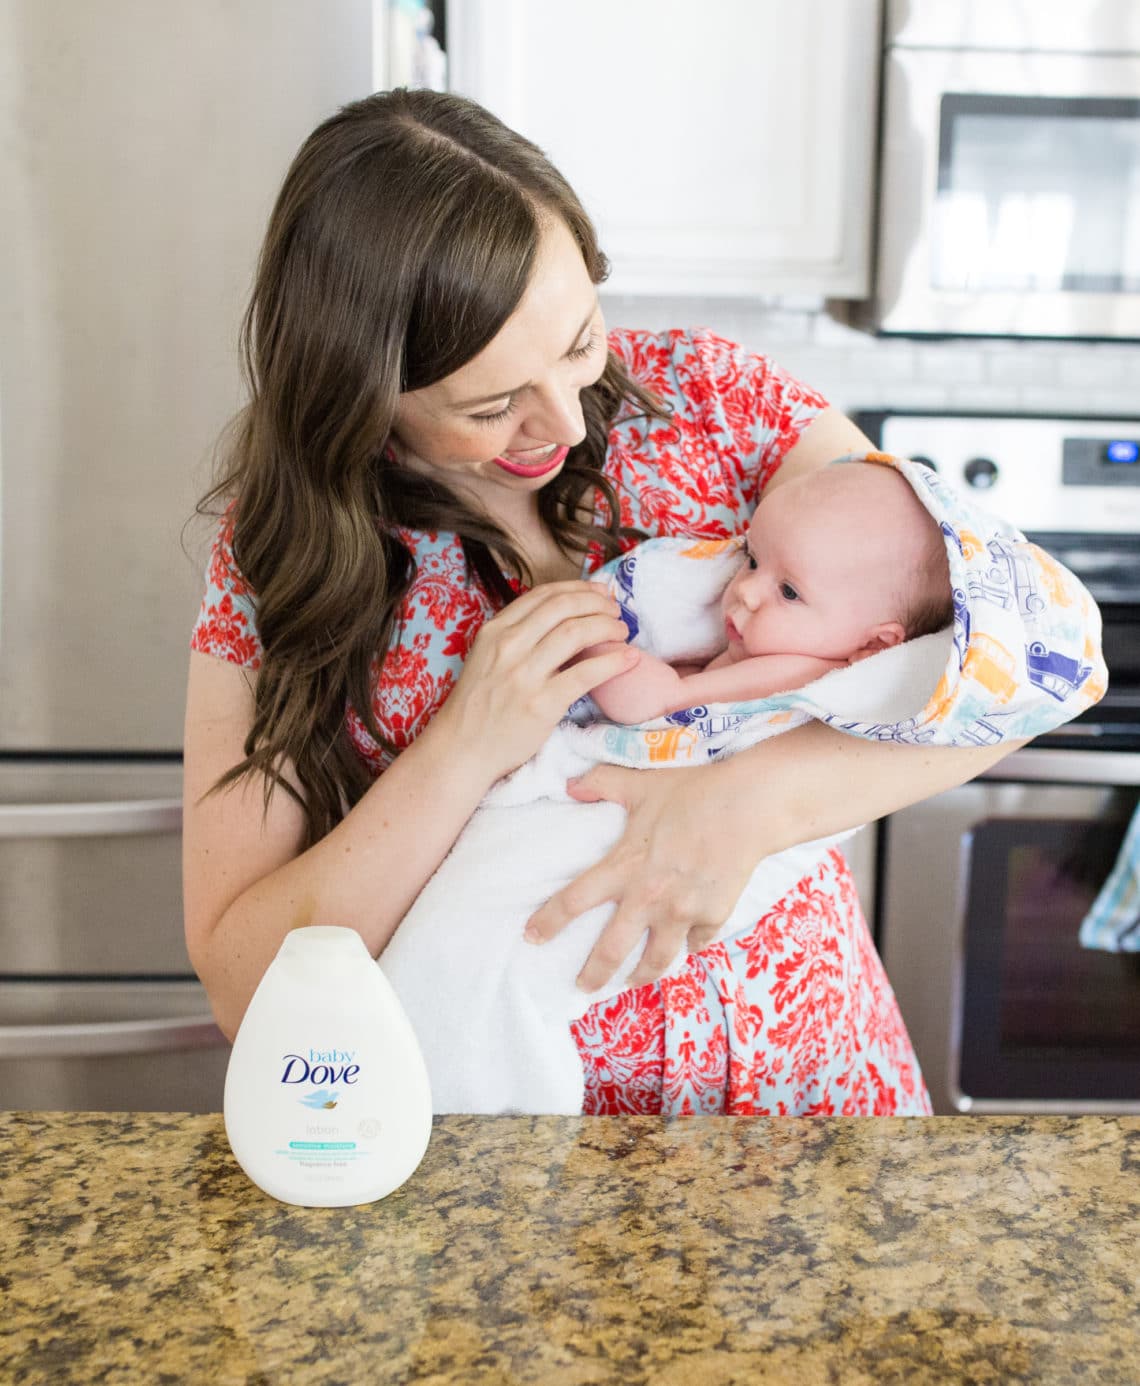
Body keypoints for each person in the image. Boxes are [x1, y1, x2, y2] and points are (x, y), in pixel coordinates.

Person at [183, 88, 1100, 1116]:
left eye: (581, 343)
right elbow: (244, 986)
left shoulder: (716, 401)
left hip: (818, 1115)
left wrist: (744, 807)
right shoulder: (275, 557)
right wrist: (464, 748)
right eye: (492, 406)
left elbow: (1026, 656)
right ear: (361, 390)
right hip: (513, 1178)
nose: (567, 425)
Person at [587, 457, 953, 725]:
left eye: (790, 592)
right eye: (753, 559)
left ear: (875, 646)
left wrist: (590, 636)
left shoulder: (799, 673)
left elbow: (657, 701)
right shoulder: (781, 647)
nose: (746, 590)